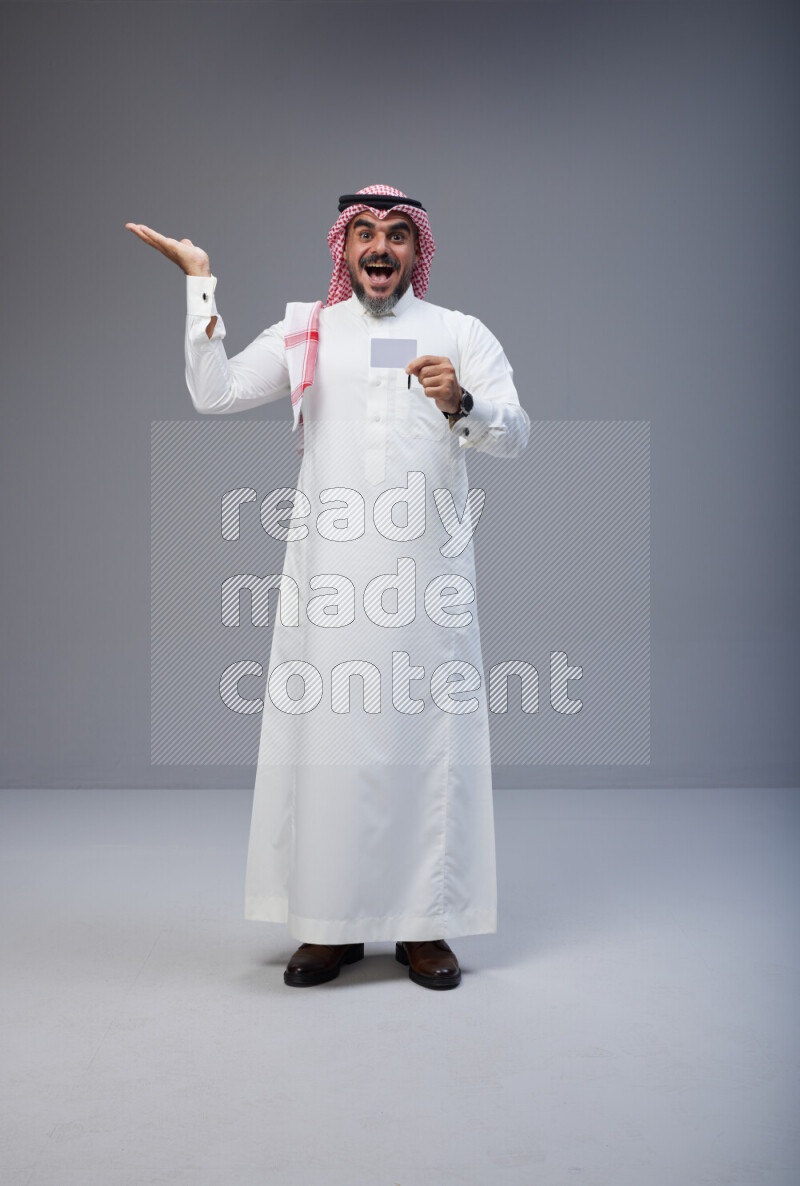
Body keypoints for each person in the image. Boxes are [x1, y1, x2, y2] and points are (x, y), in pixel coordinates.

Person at [125, 184, 530, 991]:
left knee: (424, 747)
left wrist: (462, 400)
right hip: (332, 584)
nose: (380, 249)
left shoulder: (459, 334)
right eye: (365, 236)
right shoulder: (309, 329)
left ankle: (422, 929)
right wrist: (199, 281)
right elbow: (215, 393)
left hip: (425, 587)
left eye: (396, 236)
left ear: (418, 249)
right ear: (343, 249)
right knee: (330, 749)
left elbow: (515, 435)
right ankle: (329, 925)